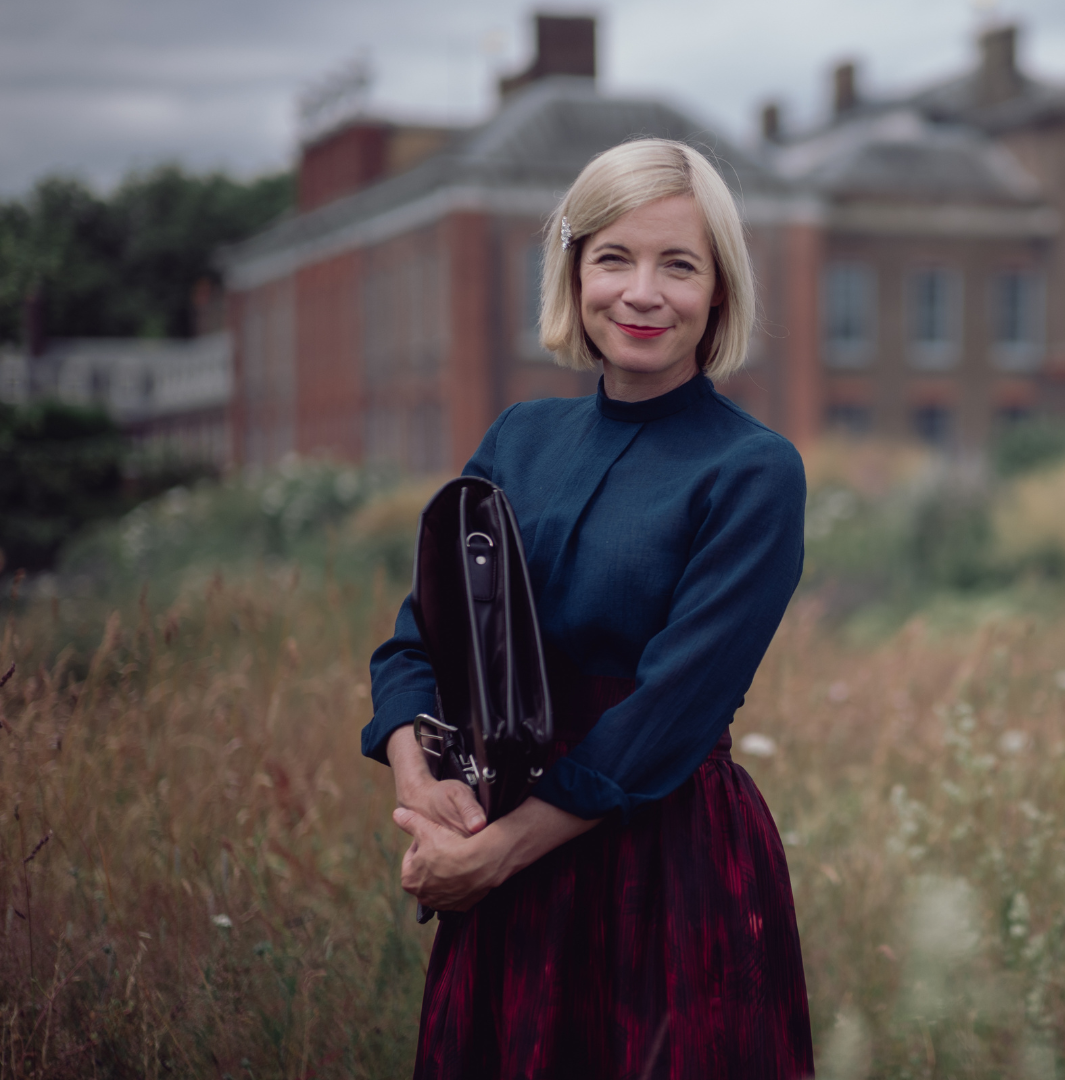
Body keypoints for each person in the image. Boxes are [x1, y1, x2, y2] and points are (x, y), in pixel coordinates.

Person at [361, 138, 813, 1079]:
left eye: (677, 264)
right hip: (499, 845)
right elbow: (416, 648)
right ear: (574, 273)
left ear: (719, 289)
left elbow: (669, 714)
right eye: (614, 257)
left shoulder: (753, 471)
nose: (641, 293)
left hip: (664, 862)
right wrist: (422, 790)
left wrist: (495, 858)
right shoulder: (519, 440)